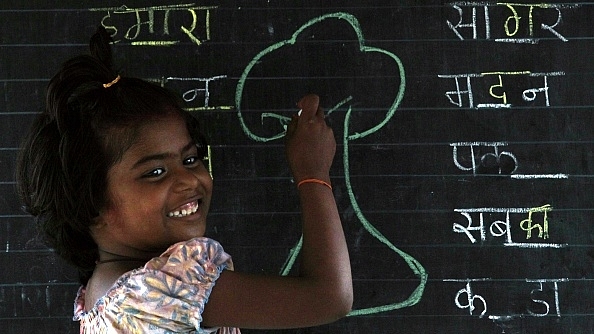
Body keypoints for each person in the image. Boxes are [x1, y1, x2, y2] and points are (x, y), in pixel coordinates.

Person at [16, 26, 352, 333]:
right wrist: (313, 173)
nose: (188, 179)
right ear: (91, 204)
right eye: (155, 173)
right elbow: (329, 297)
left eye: (190, 159)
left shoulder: (104, 292)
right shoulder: (160, 289)